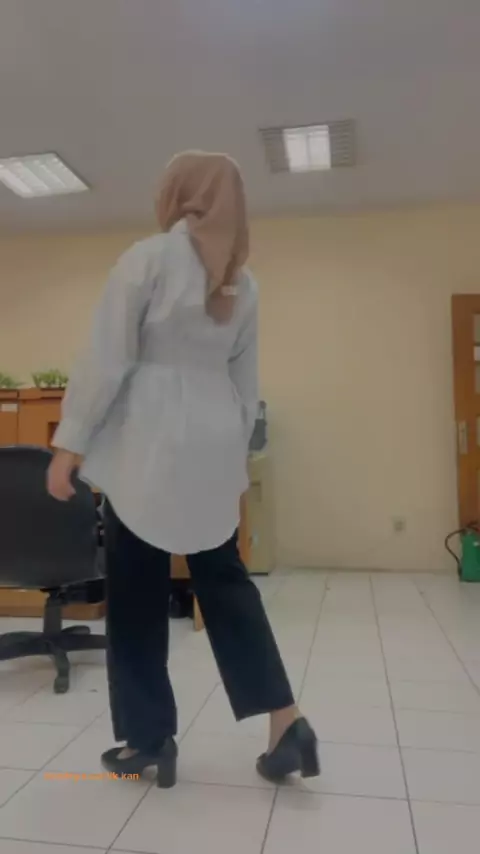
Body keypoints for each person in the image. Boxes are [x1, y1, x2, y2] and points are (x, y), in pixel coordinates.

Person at [47, 151, 319, 787]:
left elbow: (107, 357)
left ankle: (148, 740)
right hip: (213, 442)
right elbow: (245, 385)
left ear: (178, 196)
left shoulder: (147, 259)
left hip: (148, 442)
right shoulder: (241, 281)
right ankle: (287, 723)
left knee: (136, 589)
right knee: (224, 581)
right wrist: (231, 461)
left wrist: (70, 444)